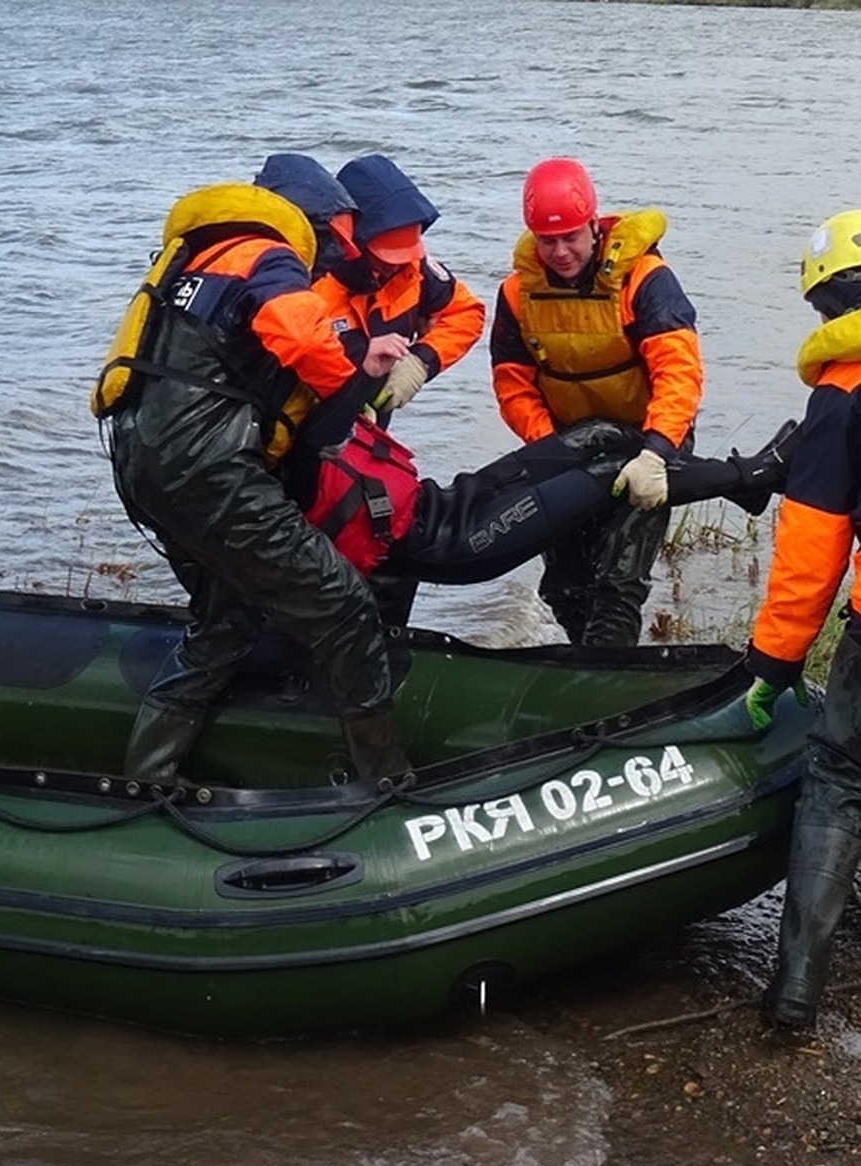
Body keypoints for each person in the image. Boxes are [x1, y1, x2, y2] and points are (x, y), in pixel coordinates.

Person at [92, 154, 411, 786]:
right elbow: (302, 337)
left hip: (140, 470)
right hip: (210, 473)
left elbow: (235, 350)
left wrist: (356, 359)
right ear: (311, 226)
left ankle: (146, 779)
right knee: (344, 604)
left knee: (227, 619)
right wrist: (356, 387)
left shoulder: (198, 257)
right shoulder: (270, 253)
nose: (325, 268)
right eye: (327, 250)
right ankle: (388, 780)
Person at [490, 157, 707, 646]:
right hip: (567, 446)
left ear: (594, 225)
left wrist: (656, 452)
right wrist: (548, 447)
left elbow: (679, 371)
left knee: (617, 582)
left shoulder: (644, 280)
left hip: (651, 439)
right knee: (566, 585)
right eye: (548, 241)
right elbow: (512, 381)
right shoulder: (518, 292)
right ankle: (589, 664)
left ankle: (609, 691)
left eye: (571, 237)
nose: (561, 252)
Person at [745, 209, 861, 1032]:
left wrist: (772, 667)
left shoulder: (841, 398)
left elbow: (812, 556)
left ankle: (794, 993)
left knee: (840, 778)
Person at [289, 411, 798, 587]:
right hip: (453, 543)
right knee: (613, 472)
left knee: (602, 435)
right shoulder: (275, 465)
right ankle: (755, 473)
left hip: (443, 500)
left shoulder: (313, 401)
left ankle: (746, 491)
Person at [312, 154, 486, 422]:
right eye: (386, 258)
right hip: (312, 425)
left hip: (372, 427)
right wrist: (352, 395)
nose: (395, 267)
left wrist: (420, 361)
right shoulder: (312, 285)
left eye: (404, 256)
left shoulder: (414, 269)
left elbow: (466, 313)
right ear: (355, 241)